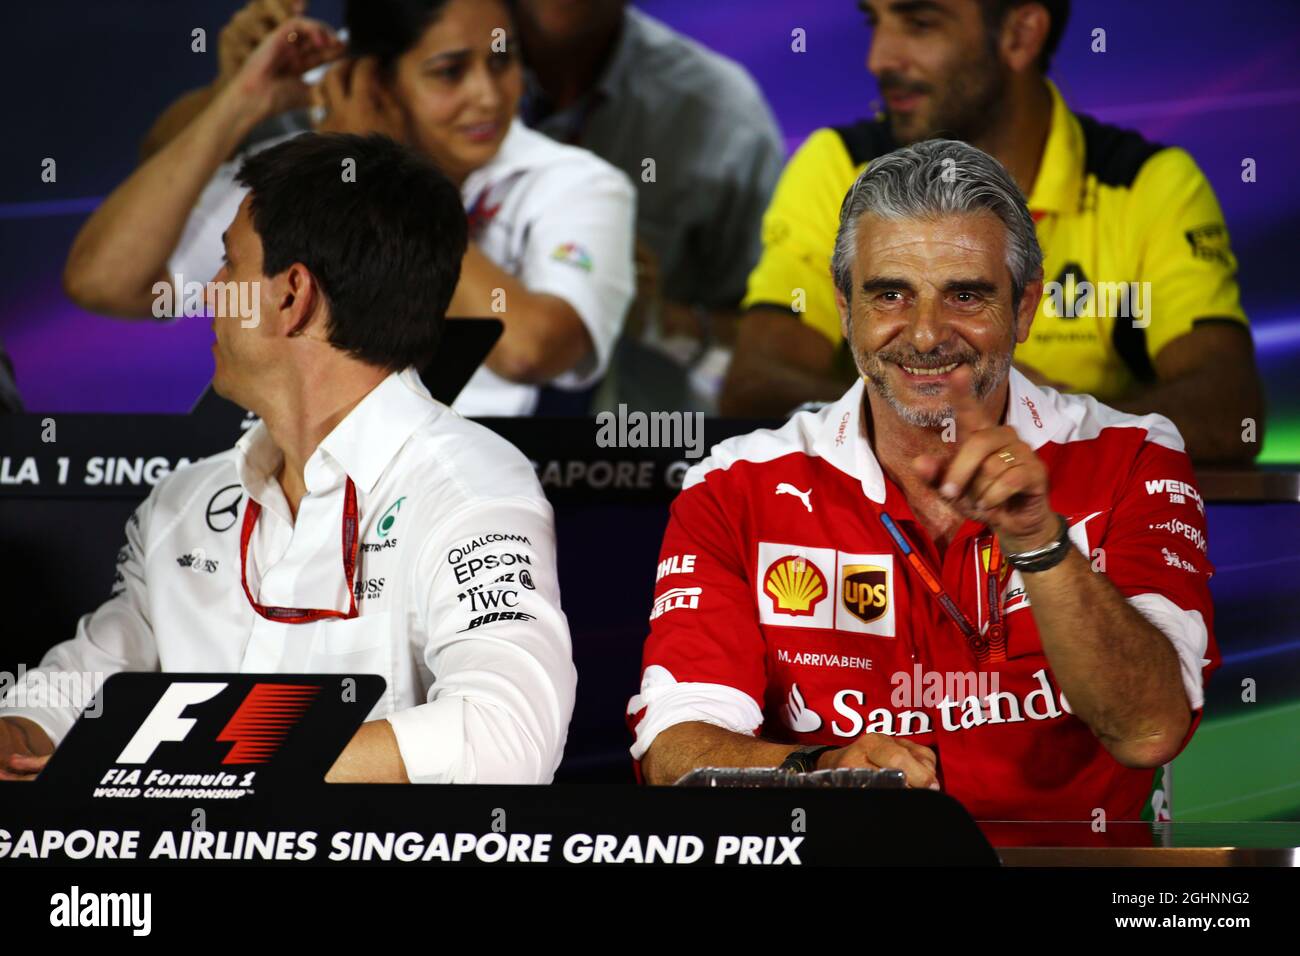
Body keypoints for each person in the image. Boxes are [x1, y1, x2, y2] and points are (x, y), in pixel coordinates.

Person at [631, 140, 1218, 821]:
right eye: (890, 295)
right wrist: (820, 770)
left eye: (965, 295)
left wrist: (1039, 540)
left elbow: (1150, 730)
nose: (928, 333)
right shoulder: (734, 486)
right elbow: (673, 754)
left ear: (1025, 308)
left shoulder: (1133, 455)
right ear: (845, 307)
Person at [2, 133, 576, 784]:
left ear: (290, 295)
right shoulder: (182, 504)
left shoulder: (470, 486)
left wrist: (210, 760)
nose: (209, 295)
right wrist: (17, 730)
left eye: (228, 266)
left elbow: (506, 737)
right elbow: (80, 684)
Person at [722, 0, 1264, 464]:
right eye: (874, 22)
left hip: (1082, 526)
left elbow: (1230, 409)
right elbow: (755, 386)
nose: (879, 58)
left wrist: (1026, 410)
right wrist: (934, 408)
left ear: (1020, 34)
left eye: (920, 24)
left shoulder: (1149, 184)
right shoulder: (837, 166)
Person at [64, 0, 635, 417]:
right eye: (449, 71)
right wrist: (237, 98)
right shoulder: (295, 176)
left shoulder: (574, 183)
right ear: (374, 81)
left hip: (454, 499)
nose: (488, 94)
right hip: (269, 491)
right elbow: (104, 281)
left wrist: (388, 176)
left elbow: (532, 349)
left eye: (502, 61)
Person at [515, 0, 786, 411]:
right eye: (449, 72)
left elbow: (778, 350)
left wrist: (662, 322)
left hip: (641, 453)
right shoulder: (405, 72)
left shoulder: (724, 116)